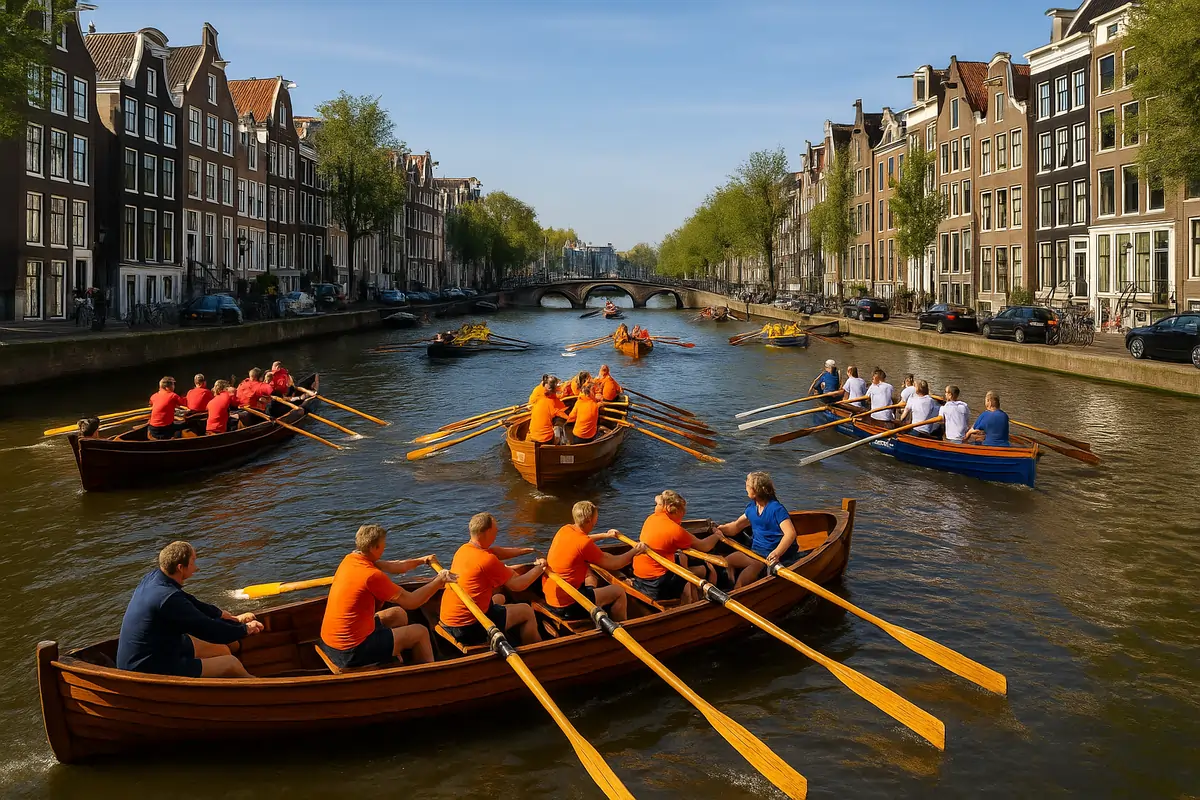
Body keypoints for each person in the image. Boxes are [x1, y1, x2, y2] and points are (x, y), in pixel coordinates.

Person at [116, 541, 263, 678]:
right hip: (147, 667)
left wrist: (220, 614)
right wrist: (245, 629)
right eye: (193, 562)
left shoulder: (155, 578)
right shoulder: (169, 600)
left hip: (162, 646)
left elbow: (190, 600)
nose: (196, 567)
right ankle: (257, 686)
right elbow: (210, 630)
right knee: (231, 663)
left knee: (222, 649)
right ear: (181, 567)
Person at [318, 524, 455, 670]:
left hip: (332, 641)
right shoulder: (371, 576)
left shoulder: (351, 559)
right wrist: (439, 580)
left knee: (398, 614)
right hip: (351, 651)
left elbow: (394, 566)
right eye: (383, 545)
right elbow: (412, 602)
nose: (385, 548)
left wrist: (422, 560)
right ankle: (429, 676)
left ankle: (399, 657)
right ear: (373, 548)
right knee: (420, 632)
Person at [439, 512, 546, 646]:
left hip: (449, 619)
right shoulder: (486, 560)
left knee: (500, 597)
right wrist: (540, 567)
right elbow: (518, 585)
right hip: (469, 627)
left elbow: (495, 552)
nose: (497, 533)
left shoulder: (464, 550)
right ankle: (536, 651)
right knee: (526, 611)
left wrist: (526, 550)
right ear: (487, 532)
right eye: (495, 530)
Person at [543, 501, 646, 623]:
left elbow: (584, 540)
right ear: (589, 521)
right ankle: (622, 625)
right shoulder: (584, 544)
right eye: (595, 518)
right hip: (569, 605)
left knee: (590, 575)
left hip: (550, 596)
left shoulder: (565, 529)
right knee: (618, 592)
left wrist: (605, 535)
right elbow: (615, 564)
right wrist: (635, 551)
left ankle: (599, 606)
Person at [632, 490, 723, 604]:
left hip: (639, 576)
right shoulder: (675, 530)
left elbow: (658, 499)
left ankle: (695, 590)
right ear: (671, 508)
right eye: (682, 512)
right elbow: (704, 546)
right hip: (657, 585)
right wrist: (717, 536)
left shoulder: (651, 518)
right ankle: (692, 602)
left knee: (682, 558)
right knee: (702, 572)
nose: (683, 516)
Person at [714, 472, 800, 589]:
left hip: (767, 557)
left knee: (745, 577)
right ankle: (730, 584)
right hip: (754, 553)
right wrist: (719, 528)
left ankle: (737, 591)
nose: (746, 488)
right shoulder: (751, 508)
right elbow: (735, 527)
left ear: (755, 490)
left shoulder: (776, 509)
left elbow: (790, 533)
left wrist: (776, 553)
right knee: (726, 562)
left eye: (748, 485)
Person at [527, 375, 569, 444]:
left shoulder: (539, 397)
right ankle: (558, 443)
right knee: (560, 422)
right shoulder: (553, 402)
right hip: (545, 439)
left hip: (533, 435)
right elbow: (566, 415)